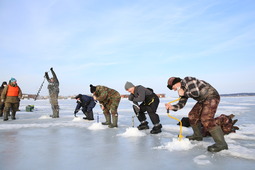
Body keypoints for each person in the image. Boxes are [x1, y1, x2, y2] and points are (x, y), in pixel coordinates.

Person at [165, 76, 228, 152]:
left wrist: (183, 93)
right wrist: (172, 107)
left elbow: (195, 93)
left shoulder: (188, 80)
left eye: (173, 87)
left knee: (206, 119)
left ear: (176, 83)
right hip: (202, 100)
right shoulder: (182, 90)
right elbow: (181, 103)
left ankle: (221, 144)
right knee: (192, 115)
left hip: (212, 96)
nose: (174, 90)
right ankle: (197, 135)